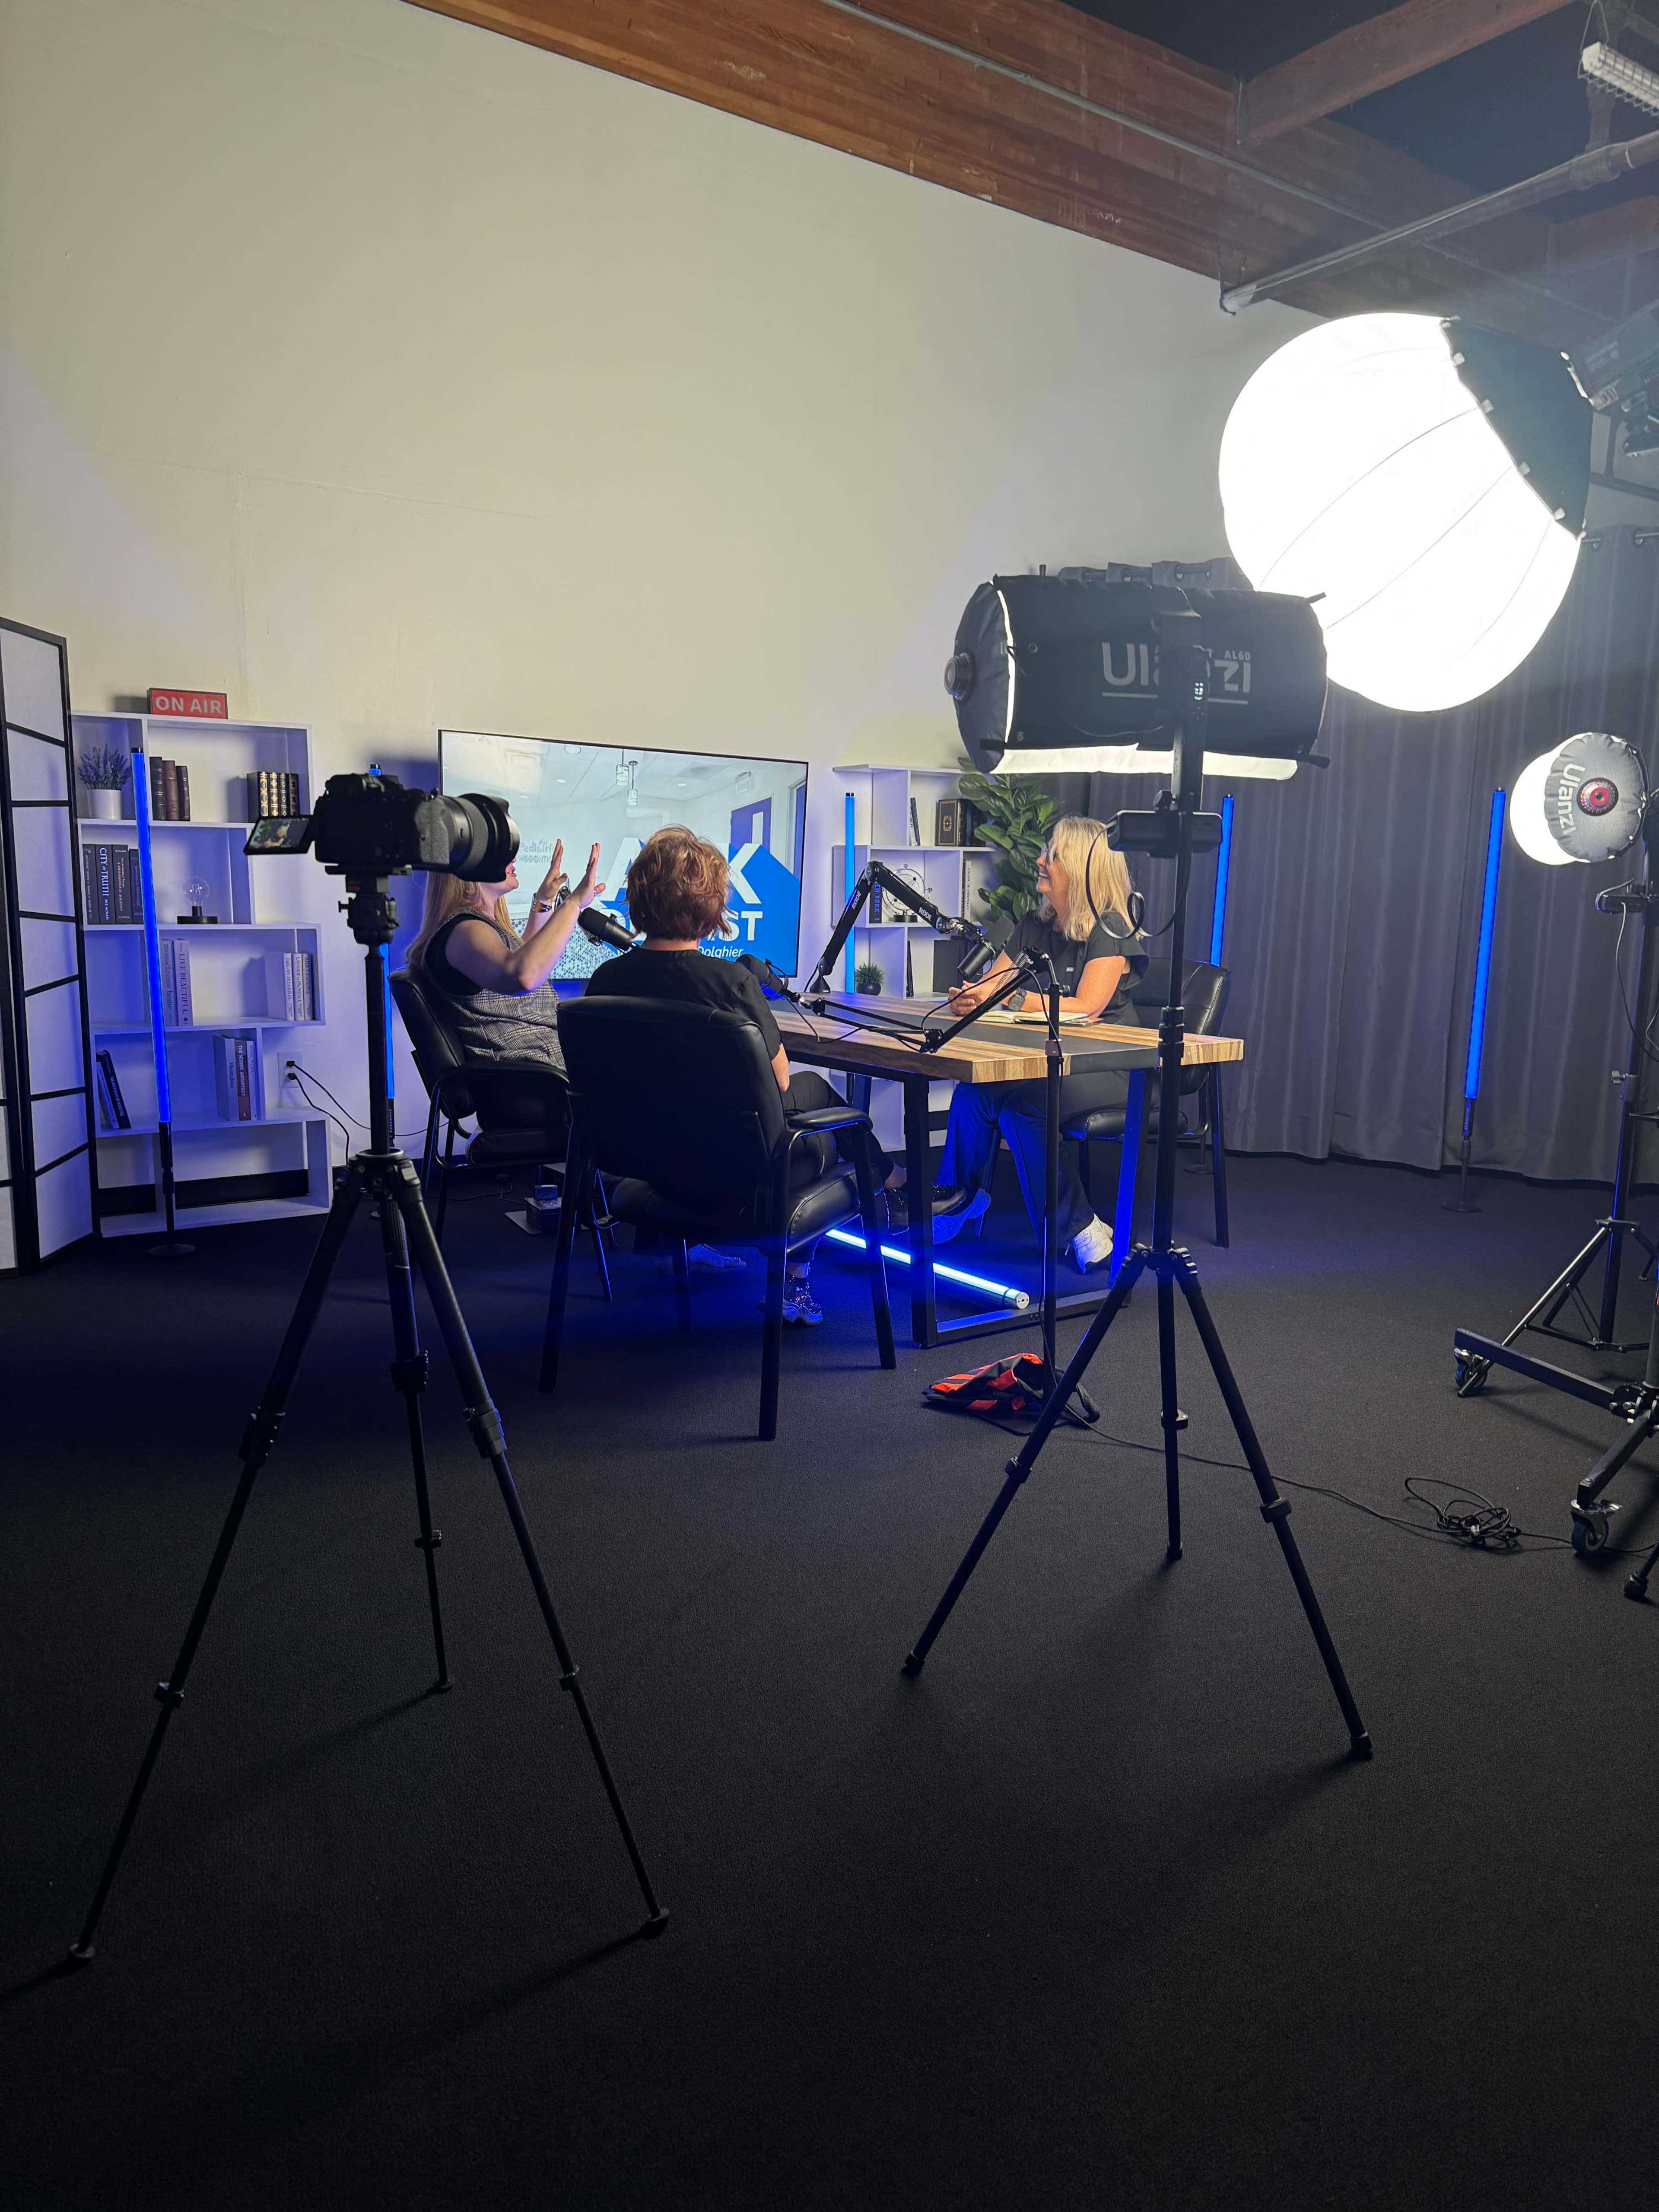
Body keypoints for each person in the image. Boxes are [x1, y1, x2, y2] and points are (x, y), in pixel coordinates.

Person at [585, 825, 896, 1325]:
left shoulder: (604, 982)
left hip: (648, 1171)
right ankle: (802, 1277)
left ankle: (883, 1181)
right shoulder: (730, 982)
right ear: (711, 906)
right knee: (819, 1111)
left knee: (807, 1097)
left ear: (638, 896)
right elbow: (779, 1082)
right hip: (740, 1177)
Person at [930, 815, 1147, 1272]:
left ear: (1081, 867)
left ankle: (1078, 1227)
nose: (1040, 860)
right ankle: (959, 1198)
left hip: (1106, 1066)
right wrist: (969, 997)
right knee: (973, 1094)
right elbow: (992, 987)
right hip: (1049, 1062)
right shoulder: (1035, 924)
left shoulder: (1111, 928)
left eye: (1053, 854)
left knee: (1024, 1108)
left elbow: (1085, 1008)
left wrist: (1009, 996)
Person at [406, 837, 604, 1133]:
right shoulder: (463, 931)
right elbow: (523, 975)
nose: (513, 860)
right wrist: (574, 904)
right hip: (536, 1087)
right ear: (469, 867)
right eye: (500, 853)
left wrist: (544, 902)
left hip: (540, 1076)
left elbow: (519, 960)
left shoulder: (472, 928)